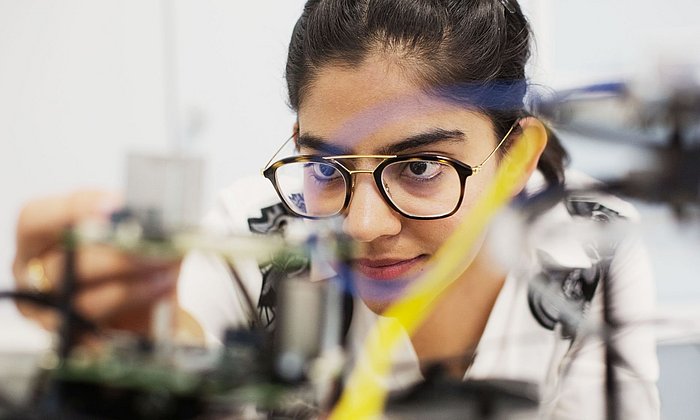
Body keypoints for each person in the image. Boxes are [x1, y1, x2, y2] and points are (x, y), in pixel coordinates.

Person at [12, 0, 658, 418]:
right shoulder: (251, 233)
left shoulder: (593, 246)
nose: (362, 226)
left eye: (420, 167)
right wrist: (126, 349)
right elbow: (181, 349)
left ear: (515, 159)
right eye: (326, 168)